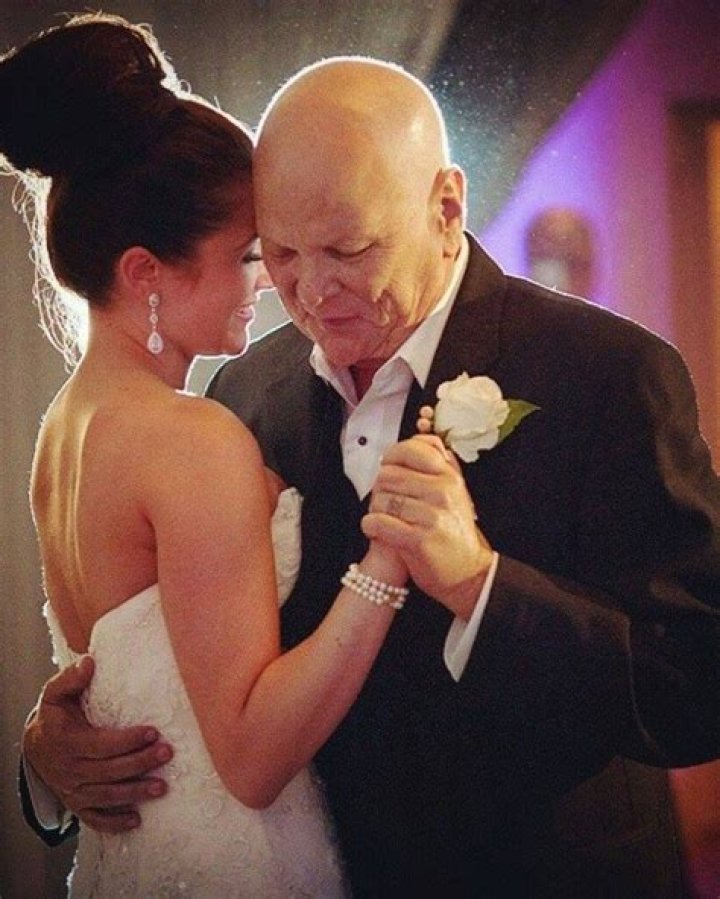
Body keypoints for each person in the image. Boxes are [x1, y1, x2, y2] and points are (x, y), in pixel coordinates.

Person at [21, 55, 720, 898]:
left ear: (446, 210)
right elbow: (199, 672)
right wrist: (52, 756)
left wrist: (482, 587)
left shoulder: (608, 374)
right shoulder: (241, 392)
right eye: (278, 251)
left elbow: (699, 683)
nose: (310, 291)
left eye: (348, 249)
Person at [3, 19, 421, 898]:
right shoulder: (188, 438)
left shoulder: (64, 428)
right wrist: (388, 560)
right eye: (247, 254)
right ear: (146, 273)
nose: (270, 279)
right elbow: (253, 758)